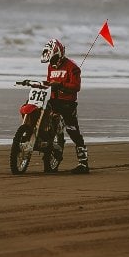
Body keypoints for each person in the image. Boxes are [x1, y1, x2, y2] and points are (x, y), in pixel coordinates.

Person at [40, 38, 89, 174]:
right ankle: (47, 148)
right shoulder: (50, 67)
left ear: (60, 54)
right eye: (50, 60)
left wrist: (60, 85)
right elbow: (50, 82)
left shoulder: (73, 67)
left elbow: (76, 87)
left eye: (54, 59)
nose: (52, 62)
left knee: (73, 131)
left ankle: (83, 164)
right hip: (54, 101)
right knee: (45, 125)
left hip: (68, 104)